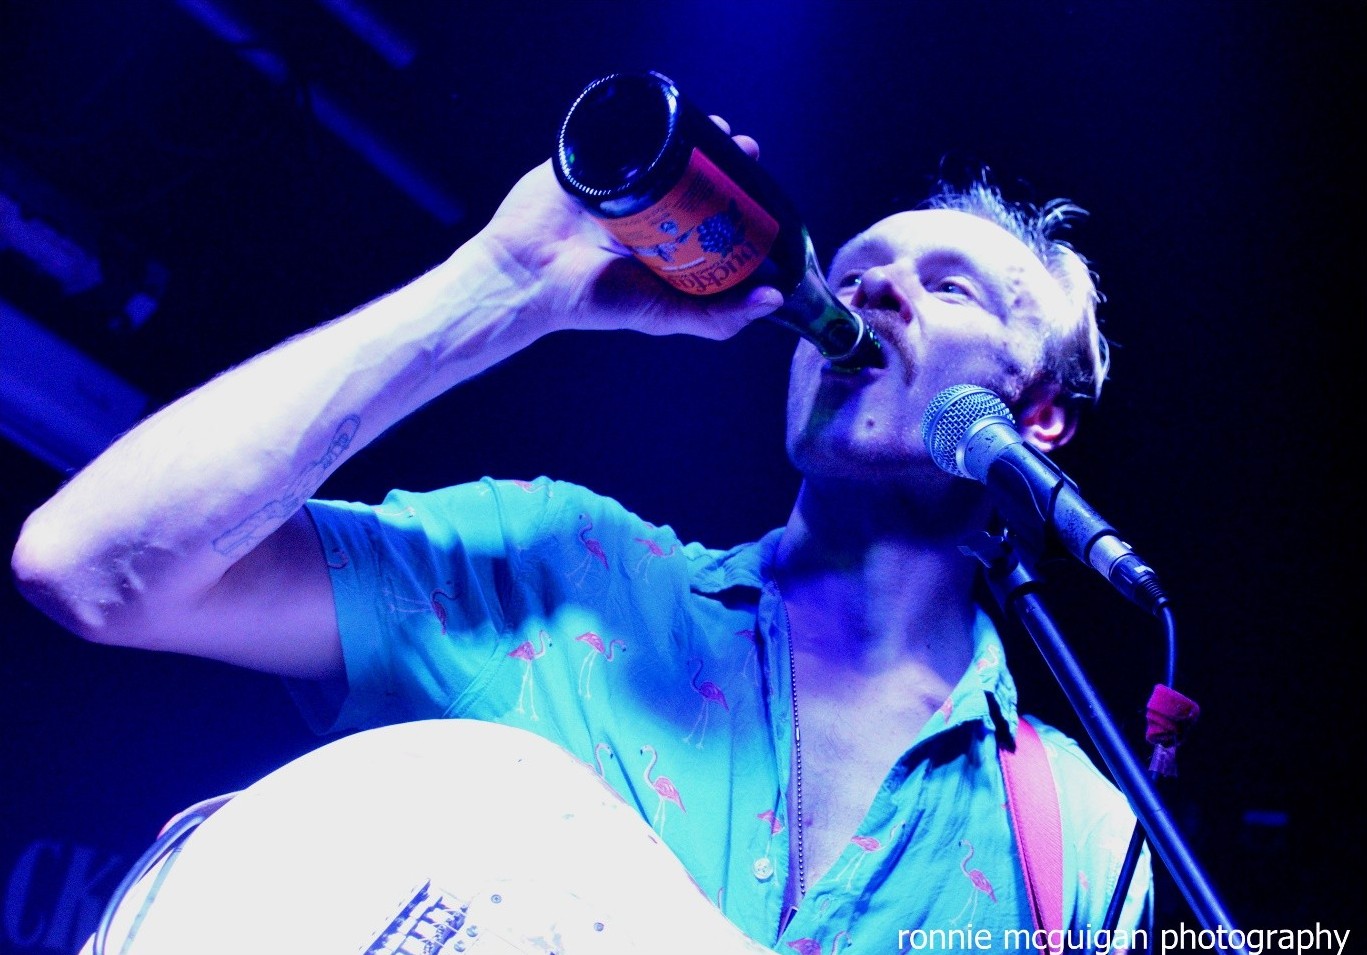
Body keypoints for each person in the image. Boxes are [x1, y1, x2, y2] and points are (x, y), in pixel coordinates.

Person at [11, 118, 1152, 952]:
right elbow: (93, 566)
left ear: (1036, 415)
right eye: (855, 275)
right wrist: (503, 283)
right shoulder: (561, 574)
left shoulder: (1081, 841)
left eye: (948, 288)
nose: (879, 290)